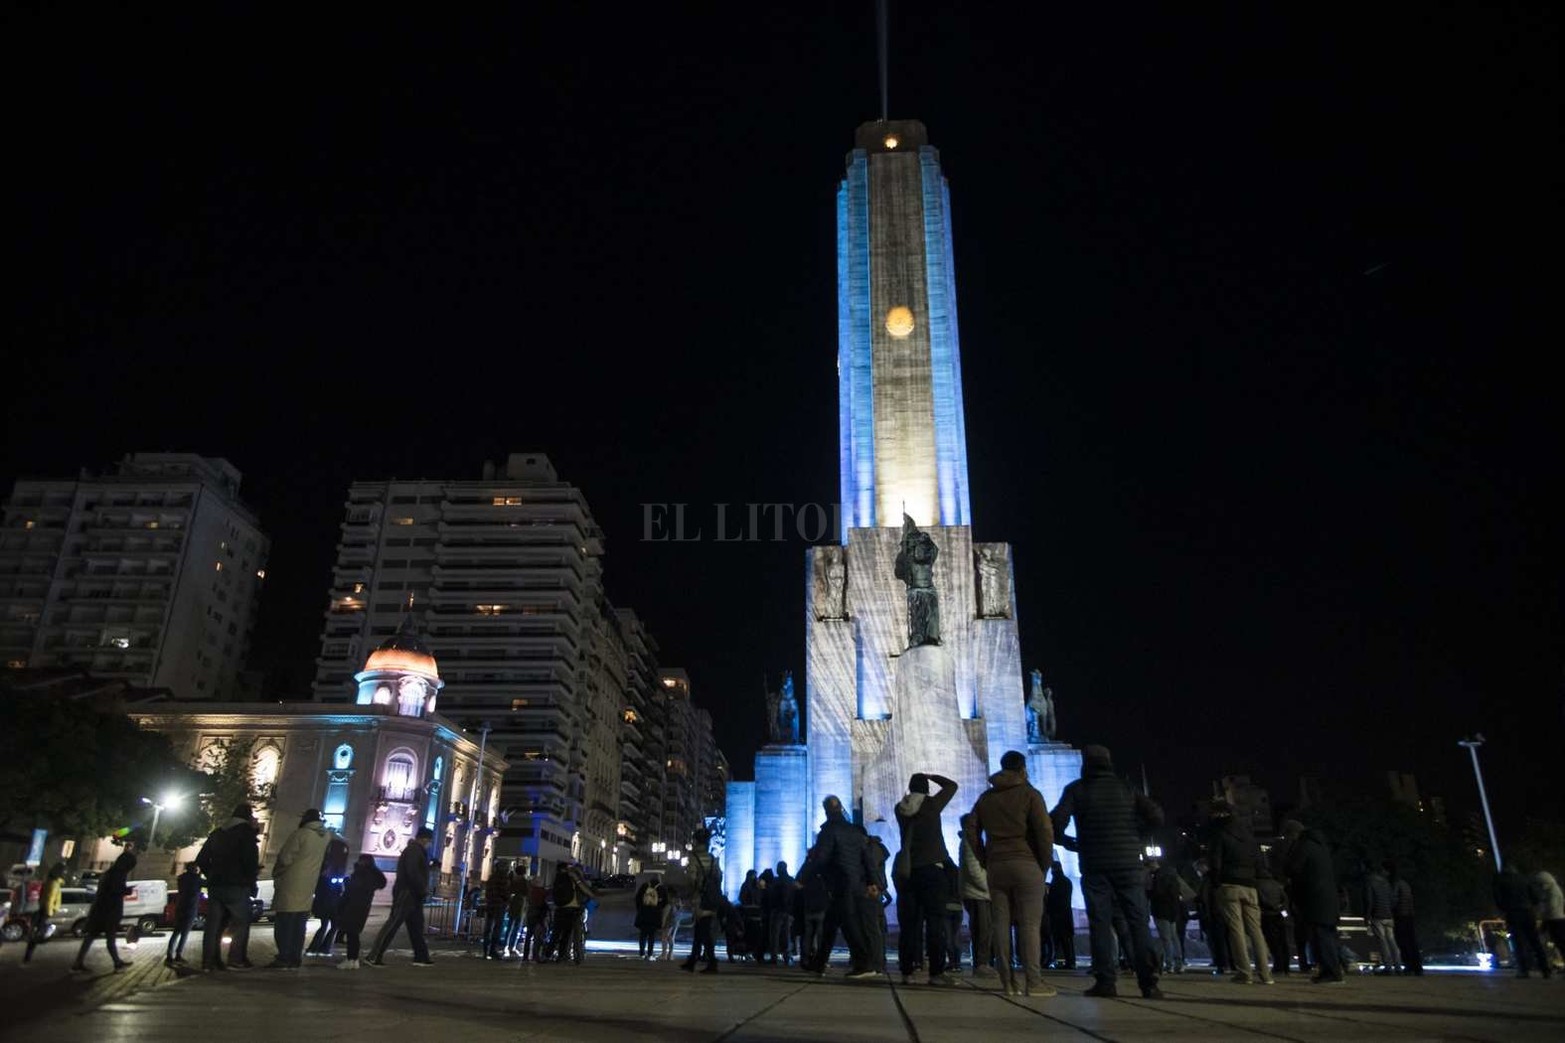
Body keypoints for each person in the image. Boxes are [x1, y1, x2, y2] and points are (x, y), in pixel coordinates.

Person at [1050, 745, 1163, 999]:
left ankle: (1106, 982)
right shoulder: (1126, 788)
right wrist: (1134, 836)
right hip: (1128, 864)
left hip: (1095, 864)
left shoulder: (1077, 789)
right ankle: (1149, 983)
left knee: (1100, 923)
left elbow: (1055, 821)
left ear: (1086, 764)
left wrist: (1069, 843)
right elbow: (1156, 815)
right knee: (1138, 923)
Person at [972, 750, 1056, 997]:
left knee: (1000, 925)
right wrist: (1044, 865)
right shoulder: (1030, 794)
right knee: (1030, 925)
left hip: (997, 865)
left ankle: (1007, 982)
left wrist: (984, 858)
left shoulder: (985, 798)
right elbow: (1044, 831)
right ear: (1022, 768)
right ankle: (1034, 982)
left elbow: (971, 830)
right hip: (1026, 862)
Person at [800, 795, 878, 978]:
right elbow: (867, 859)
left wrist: (804, 878)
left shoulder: (829, 831)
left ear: (826, 811)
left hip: (840, 884)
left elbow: (820, 859)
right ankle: (819, 964)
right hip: (855, 883)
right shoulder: (854, 831)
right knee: (830, 925)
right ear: (841, 808)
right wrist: (872, 882)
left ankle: (865, 964)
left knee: (849, 925)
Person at [894, 772, 959, 985]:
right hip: (932, 871)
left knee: (909, 925)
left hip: (909, 872)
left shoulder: (900, 809)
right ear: (926, 789)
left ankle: (907, 971)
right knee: (935, 923)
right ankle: (937, 973)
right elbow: (951, 786)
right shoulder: (931, 805)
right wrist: (933, 776)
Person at [1207, 801, 1274, 985]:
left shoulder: (1219, 833)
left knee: (1236, 929)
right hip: (1250, 884)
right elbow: (1259, 861)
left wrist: (1215, 883)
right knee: (1256, 929)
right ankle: (1265, 973)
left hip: (1229, 884)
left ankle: (1245, 972)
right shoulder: (1248, 834)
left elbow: (1215, 862)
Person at [196, 803, 260, 971]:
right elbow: (250, 862)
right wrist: (251, 881)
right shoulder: (246, 834)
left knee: (213, 925)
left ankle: (209, 961)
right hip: (237, 885)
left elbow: (201, 859)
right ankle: (236, 958)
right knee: (241, 922)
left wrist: (211, 874)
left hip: (216, 885)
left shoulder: (217, 833)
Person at [1279, 819, 1344, 984]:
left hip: (1314, 898)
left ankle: (1331, 972)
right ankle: (1331, 970)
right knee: (1327, 935)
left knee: (1320, 936)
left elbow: (1291, 869)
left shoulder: (1303, 846)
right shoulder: (1320, 846)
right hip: (1326, 898)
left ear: (1293, 834)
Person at [270, 809, 336, 969]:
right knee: (300, 924)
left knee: (284, 923)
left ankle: (284, 957)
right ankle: (295, 957)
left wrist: (276, 872)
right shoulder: (325, 836)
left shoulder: (300, 834)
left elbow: (285, 858)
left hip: (291, 883)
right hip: (309, 885)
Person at [367, 826, 435, 966]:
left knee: (416, 926)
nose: (430, 844)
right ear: (424, 839)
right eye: (429, 840)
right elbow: (413, 872)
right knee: (393, 924)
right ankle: (373, 956)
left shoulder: (417, 851)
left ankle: (421, 956)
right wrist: (422, 888)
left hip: (414, 894)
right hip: (407, 893)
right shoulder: (414, 850)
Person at [72, 840, 137, 972]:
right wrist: (126, 891)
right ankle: (116, 963)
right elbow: (114, 890)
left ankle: (79, 962)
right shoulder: (118, 875)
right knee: (109, 937)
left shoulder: (109, 873)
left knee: (93, 937)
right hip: (109, 911)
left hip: (101, 909)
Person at [1492, 861, 1550, 978]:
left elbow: (1498, 899)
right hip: (1527, 912)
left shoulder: (1501, 881)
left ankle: (1523, 970)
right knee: (1535, 941)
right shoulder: (1524, 879)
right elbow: (1535, 897)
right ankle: (1545, 969)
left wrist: (1505, 908)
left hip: (1513, 912)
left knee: (1518, 942)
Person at [957, 814, 994, 978]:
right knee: (982, 929)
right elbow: (973, 869)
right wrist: (988, 887)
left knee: (982, 928)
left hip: (977, 892)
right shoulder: (970, 841)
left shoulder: (970, 840)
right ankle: (981, 963)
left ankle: (982, 962)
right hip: (978, 892)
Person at [682, 827, 722, 973]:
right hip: (712, 899)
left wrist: (691, 890)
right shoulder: (712, 858)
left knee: (704, 931)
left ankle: (712, 962)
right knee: (700, 930)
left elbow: (691, 879)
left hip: (700, 899)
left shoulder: (694, 857)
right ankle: (692, 960)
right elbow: (718, 877)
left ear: (696, 841)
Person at [336, 853, 386, 970]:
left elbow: (350, 892)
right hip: (363, 908)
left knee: (351, 934)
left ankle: (351, 959)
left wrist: (341, 904)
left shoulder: (360, 874)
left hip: (352, 907)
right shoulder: (373, 876)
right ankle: (354, 960)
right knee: (354, 934)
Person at [306, 837, 350, 958]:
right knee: (330, 925)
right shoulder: (329, 869)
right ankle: (320, 948)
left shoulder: (327, 867)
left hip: (328, 901)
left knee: (328, 925)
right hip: (329, 901)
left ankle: (319, 947)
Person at [1360, 860, 1402, 975]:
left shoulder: (1370, 882)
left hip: (1377, 916)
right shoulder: (1386, 883)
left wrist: (1367, 916)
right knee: (1392, 941)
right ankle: (1398, 966)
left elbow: (1369, 900)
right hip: (1389, 915)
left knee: (1382, 942)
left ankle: (1388, 967)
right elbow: (1393, 899)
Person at [1148, 858, 1185, 974]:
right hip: (1172, 911)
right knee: (1174, 937)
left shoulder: (1157, 878)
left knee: (1166, 938)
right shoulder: (1172, 877)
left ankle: (1169, 964)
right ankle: (1179, 963)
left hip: (1161, 911)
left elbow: (1156, 894)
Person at [24, 861, 66, 964]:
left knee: (36, 932)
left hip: (41, 909)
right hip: (44, 911)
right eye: (64, 871)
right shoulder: (53, 883)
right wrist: (49, 911)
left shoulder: (50, 881)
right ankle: (27, 957)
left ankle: (27, 956)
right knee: (38, 933)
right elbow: (49, 898)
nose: (65, 873)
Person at [163, 862, 203, 967]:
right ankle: (178, 955)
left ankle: (169, 956)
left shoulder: (181, 878)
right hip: (190, 908)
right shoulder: (196, 879)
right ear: (194, 869)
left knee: (176, 932)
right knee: (184, 934)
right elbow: (207, 883)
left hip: (180, 907)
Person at [1255, 863, 1290, 977]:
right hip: (1279, 915)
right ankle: (1285, 967)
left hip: (1266, 915)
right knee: (1282, 941)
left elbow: (1261, 899)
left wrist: (1271, 906)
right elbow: (1285, 900)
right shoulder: (1277, 884)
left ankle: (1278, 966)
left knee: (1273, 942)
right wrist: (1281, 910)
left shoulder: (1257, 884)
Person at [1531, 867, 1564, 975]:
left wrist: (1543, 913)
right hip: (1556, 919)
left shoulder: (1552, 891)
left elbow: (1551, 907)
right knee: (1559, 943)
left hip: (1554, 920)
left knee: (1560, 943)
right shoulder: (1554, 889)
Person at [1045, 862, 1076, 969]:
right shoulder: (1067, 881)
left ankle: (1053, 960)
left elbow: (1052, 900)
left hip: (1057, 916)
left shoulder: (1056, 882)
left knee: (1057, 941)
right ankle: (1070, 961)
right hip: (1066, 915)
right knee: (1067, 941)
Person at [766, 861, 797, 966]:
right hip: (788, 911)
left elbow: (771, 895)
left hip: (777, 910)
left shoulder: (776, 881)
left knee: (775, 935)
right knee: (787, 935)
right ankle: (787, 956)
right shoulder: (791, 880)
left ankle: (774, 956)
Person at [484, 861, 513, 959]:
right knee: (497, 928)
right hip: (499, 905)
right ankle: (492, 950)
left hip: (490, 905)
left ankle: (485, 950)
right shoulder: (503, 878)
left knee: (488, 928)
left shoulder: (491, 878)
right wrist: (507, 899)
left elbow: (488, 892)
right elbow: (505, 892)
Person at [634, 875, 667, 960]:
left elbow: (637, 898)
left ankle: (641, 953)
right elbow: (665, 902)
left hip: (643, 914)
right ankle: (650, 954)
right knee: (652, 936)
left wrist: (640, 909)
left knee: (643, 934)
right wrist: (659, 909)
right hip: (655, 915)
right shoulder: (662, 889)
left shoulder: (644, 886)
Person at [503, 863, 529, 957]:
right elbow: (527, 893)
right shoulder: (524, 881)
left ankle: (506, 945)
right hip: (520, 904)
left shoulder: (512, 881)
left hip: (513, 904)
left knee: (510, 926)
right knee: (517, 927)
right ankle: (512, 946)